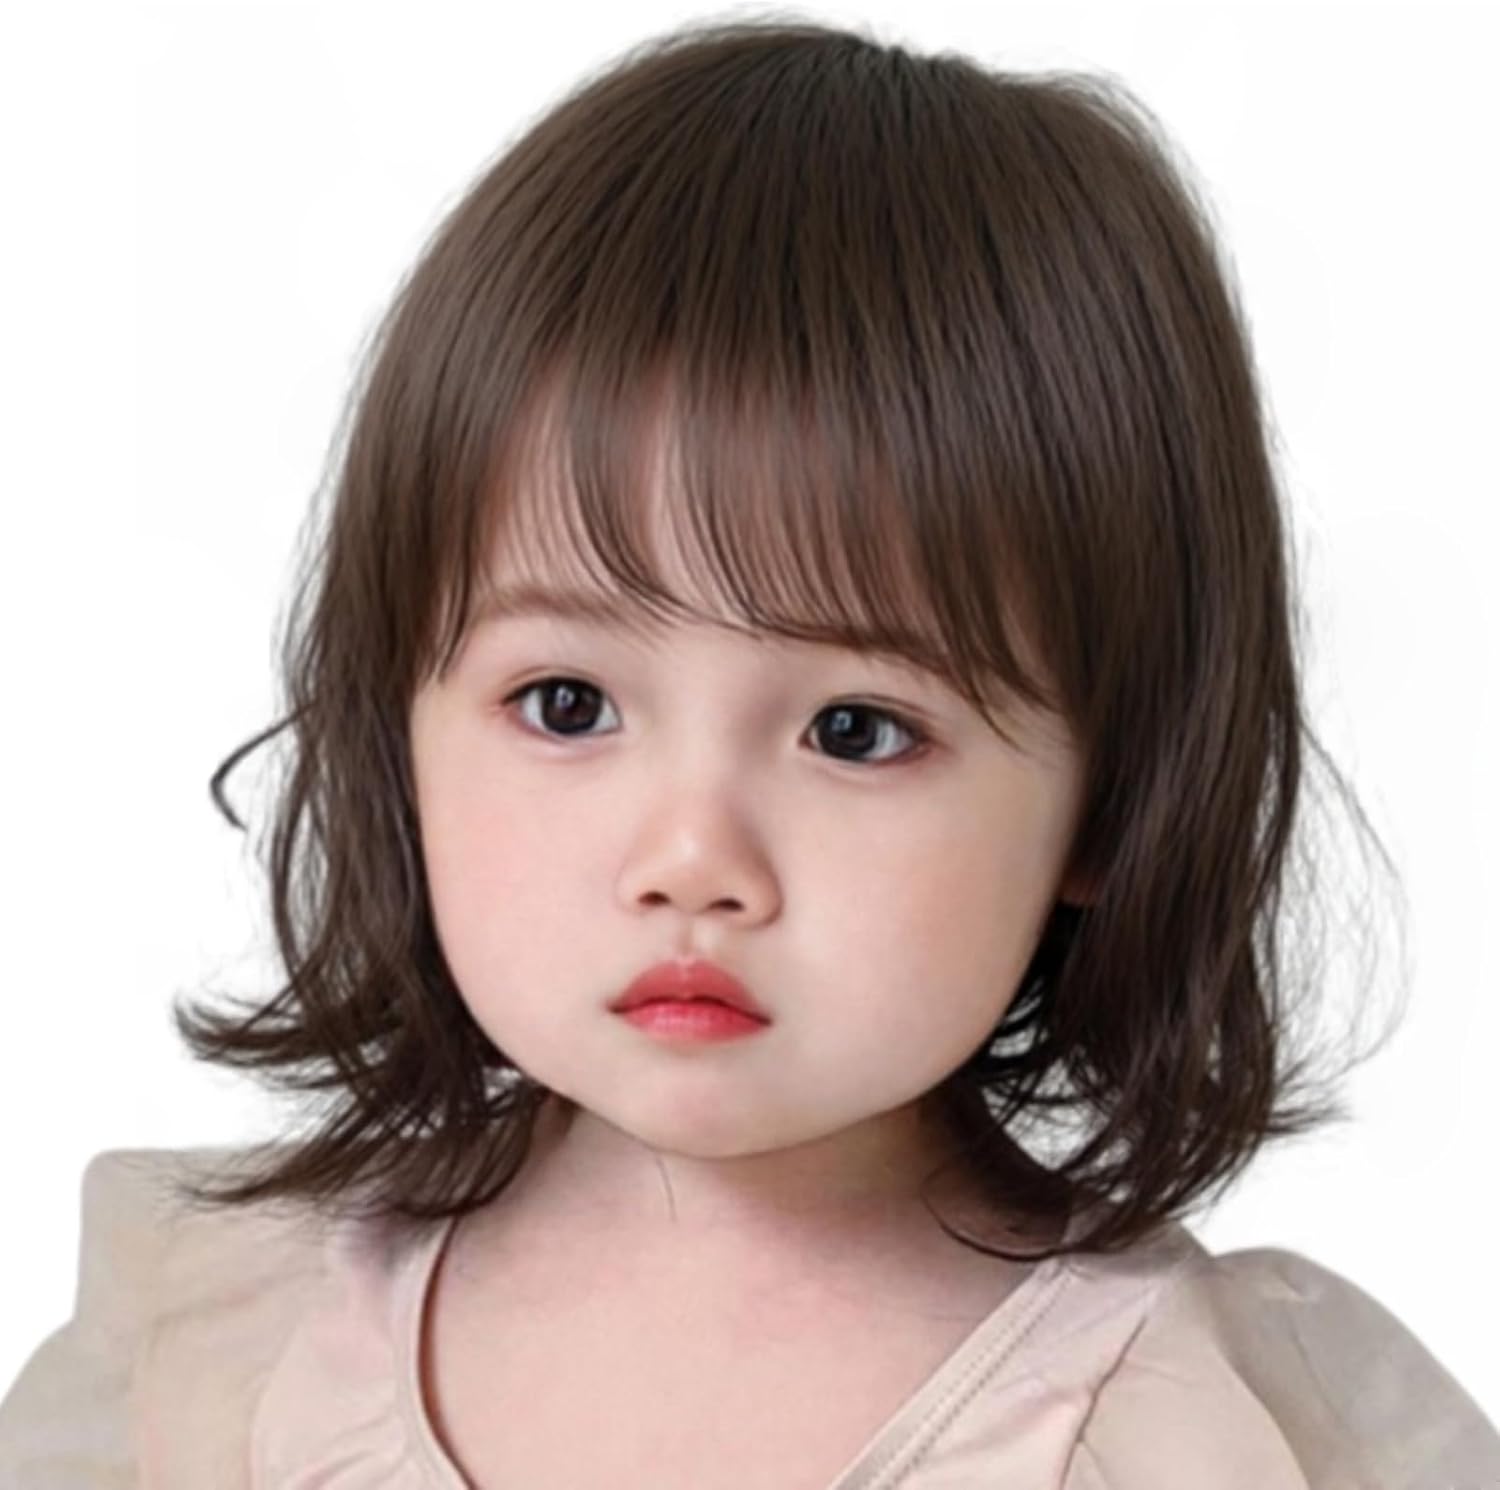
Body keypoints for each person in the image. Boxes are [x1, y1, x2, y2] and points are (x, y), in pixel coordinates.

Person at [2, 15, 1496, 1488]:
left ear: (1114, 795)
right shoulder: (219, 1363)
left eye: (856, 730)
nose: (692, 861)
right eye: (568, 704)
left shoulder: (1209, 1433)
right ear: (400, 719)